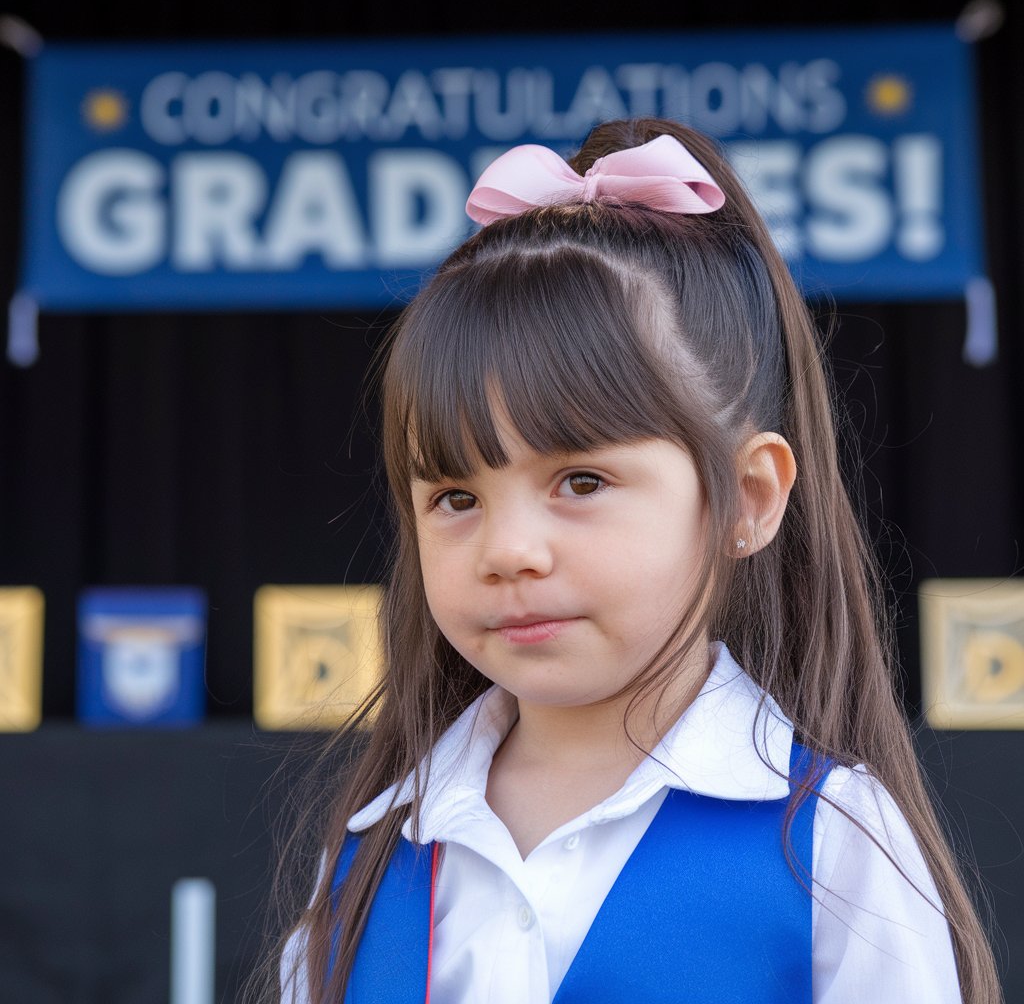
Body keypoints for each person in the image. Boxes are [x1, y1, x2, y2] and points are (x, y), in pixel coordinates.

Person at [272, 118, 1001, 1004]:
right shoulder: (370, 852)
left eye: (580, 480)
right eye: (455, 498)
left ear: (750, 497)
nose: (509, 551)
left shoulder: (832, 843)